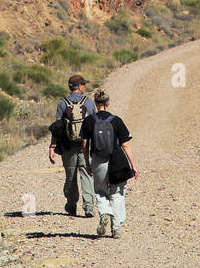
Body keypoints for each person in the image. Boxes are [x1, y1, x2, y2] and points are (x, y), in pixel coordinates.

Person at [82, 87, 137, 238]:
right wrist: (133, 165)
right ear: (108, 102)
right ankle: (116, 228)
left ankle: (104, 212)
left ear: (95, 102)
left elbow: (85, 144)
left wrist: (87, 163)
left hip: (98, 159)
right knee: (117, 193)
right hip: (116, 160)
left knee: (100, 191)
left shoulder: (89, 121)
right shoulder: (116, 120)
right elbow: (126, 144)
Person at [48, 73, 96, 218]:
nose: (84, 87)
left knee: (70, 175)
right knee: (87, 174)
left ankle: (71, 205)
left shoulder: (63, 103)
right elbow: (94, 123)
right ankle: (88, 207)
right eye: (84, 85)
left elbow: (57, 127)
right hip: (85, 145)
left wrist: (52, 146)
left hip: (68, 146)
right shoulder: (88, 102)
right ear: (80, 86)